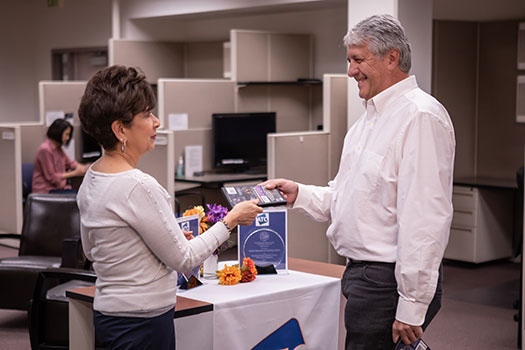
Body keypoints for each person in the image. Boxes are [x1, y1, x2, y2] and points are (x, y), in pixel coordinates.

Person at [263, 14, 455, 350]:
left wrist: (412, 304)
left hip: (387, 282)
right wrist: (300, 194)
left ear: (391, 57)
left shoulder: (420, 116)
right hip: (362, 277)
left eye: (358, 59)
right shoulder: (367, 121)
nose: (351, 71)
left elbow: (425, 218)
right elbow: (347, 196)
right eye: (349, 60)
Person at [77, 65, 262, 350]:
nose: (157, 122)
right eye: (146, 115)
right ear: (120, 129)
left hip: (110, 316)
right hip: (142, 322)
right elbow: (185, 261)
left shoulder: (93, 177)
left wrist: (163, 239)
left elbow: (93, 250)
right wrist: (231, 220)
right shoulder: (138, 186)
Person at [32, 118, 89, 193]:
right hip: (46, 190)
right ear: (58, 132)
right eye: (66, 134)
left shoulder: (58, 148)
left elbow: (71, 164)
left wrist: (85, 168)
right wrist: (75, 173)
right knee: (77, 197)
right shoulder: (45, 150)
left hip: (57, 188)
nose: (68, 138)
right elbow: (52, 177)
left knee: (80, 194)